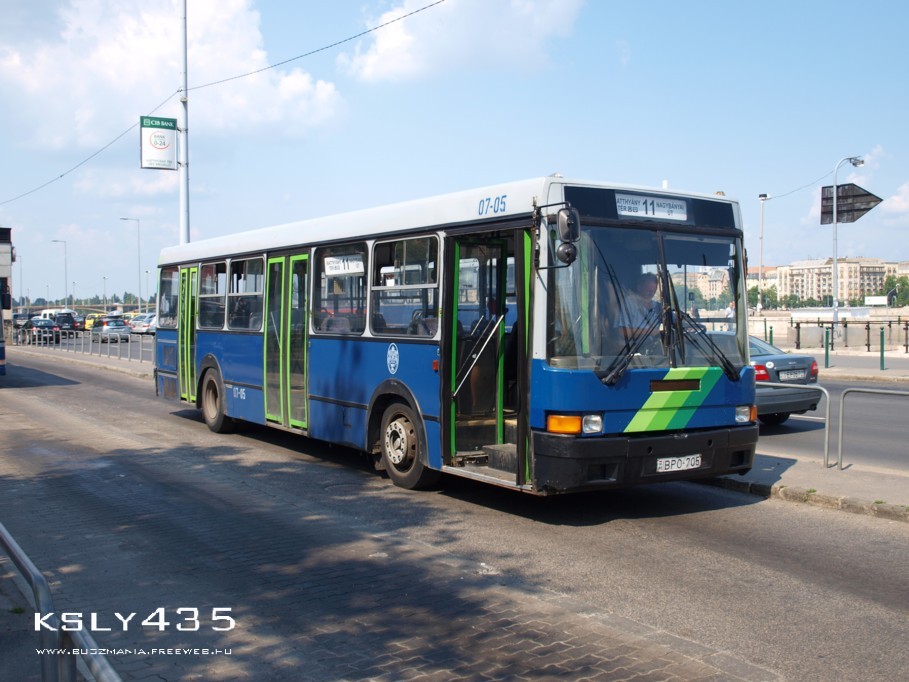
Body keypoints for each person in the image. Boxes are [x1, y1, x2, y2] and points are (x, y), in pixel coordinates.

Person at [617, 272, 661, 341]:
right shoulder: (628, 303)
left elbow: (673, 319)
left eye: (654, 291)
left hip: (656, 346)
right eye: (649, 291)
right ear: (639, 288)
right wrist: (649, 331)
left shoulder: (657, 306)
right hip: (635, 346)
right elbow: (621, 331)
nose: (651, 294)